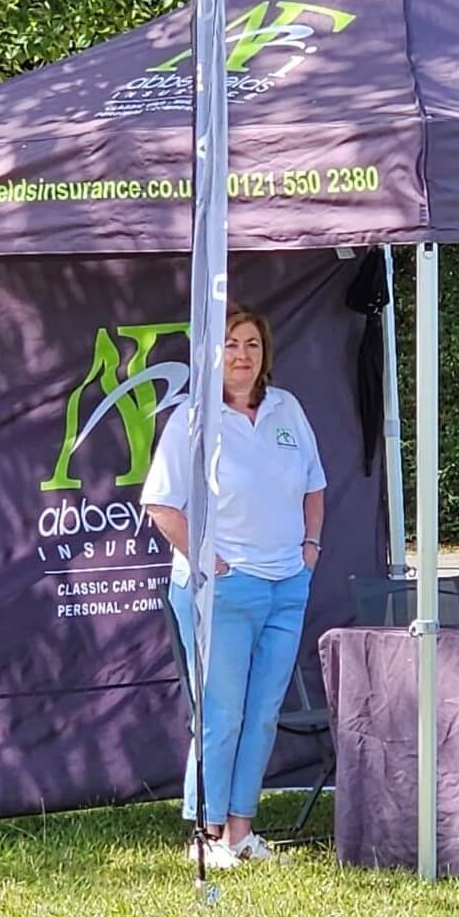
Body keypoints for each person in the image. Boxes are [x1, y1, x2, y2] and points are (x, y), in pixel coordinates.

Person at [141, 307, 326, 870]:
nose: (242, 355)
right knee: (221, 714)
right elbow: (160, 505)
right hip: (221, 590)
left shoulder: (285, 409)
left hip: (286, 585)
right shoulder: (192, 418)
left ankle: (241, 832)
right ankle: (206, 830)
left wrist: (310, 550)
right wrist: (210, 563)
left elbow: (314, 486)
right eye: (229, 344)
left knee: (263, 712)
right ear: (211, 355)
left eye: (251, 344)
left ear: (264, 353)